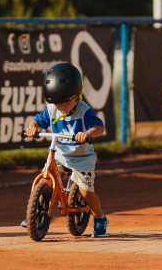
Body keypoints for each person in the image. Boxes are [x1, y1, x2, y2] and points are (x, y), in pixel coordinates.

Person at [24, 62, 108, 237]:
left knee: (86, 192)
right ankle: (35, 213)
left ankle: (100, 218)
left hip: (82, 157)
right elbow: (37, 121)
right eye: (56, 103)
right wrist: (33, 127)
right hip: (61, 154)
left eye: (65, 102)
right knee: (46, 180)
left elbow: (99, 127)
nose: (60, 106)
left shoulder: (84, 111)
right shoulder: (52, 109)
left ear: (77, 95)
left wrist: (87, 133)